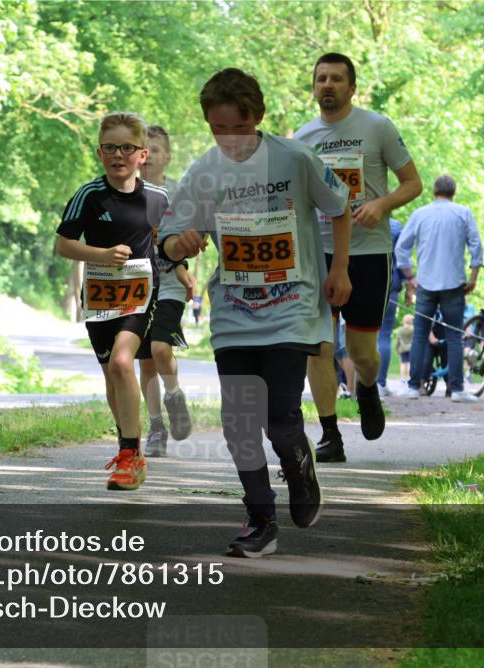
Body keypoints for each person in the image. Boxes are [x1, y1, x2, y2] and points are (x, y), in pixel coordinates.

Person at [159, 67, 352, 558]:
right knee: (240, 421)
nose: (229, 141)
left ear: (258, 117)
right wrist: (177, 242)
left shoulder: (295, 157)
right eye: (217, 130)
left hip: (293, 307)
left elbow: (340, 207)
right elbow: (170, 237)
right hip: (234, 313)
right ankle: (261, 518)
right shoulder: (205, 171)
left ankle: (300, 468)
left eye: (237, 129)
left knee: (280, 419)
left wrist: (341, 270)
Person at [294, 52, 422, 463]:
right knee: (319, 347)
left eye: (336, 79)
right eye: (321, 79)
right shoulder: (302, 138)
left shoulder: (377, 127)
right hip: (320, 252)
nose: (327, 85)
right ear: (313, 87)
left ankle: (367, 387)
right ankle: (330, 433)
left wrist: (381, 205)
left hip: (369, 252)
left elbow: (413, 183)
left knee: (362, 351)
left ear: (352, 87)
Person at [56, 111, 168, 490]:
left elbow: (171, 241)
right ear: (99, 153)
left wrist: (181, 263)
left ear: (142, 155)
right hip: (102, 296)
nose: (118, 154)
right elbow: (63, 245)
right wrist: (100, 255)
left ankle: (129, 454)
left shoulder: (158, 197)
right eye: (110, 148)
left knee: (123, 361)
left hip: (141, 294)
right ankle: (129, 449)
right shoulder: (89, 196)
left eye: (127, 147)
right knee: (112, 374)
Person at [395, 175, 483, 402]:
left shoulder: (420, 214)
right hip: (454, 283)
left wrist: (410, 278)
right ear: (454, 191)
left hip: (425, 283)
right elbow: (476, 246)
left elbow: (401, 249)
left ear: (434, 191)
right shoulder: (463, 213)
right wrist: (473, 276)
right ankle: (457, 389)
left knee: (420, 335)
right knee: (455, 336)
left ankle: (414, 387)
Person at [138, 124, 194, 457]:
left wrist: (184, 269)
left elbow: (184, 239)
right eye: (143, 149)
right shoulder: (126, 193)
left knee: (161, 348)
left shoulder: (178, 194)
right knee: (145, 362)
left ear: (167, 157)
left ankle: (174, 394)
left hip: (170, 283)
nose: (148, 156)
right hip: (136, 287)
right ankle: (156, 426)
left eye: (155, 149)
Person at [376, 218, 404, 396]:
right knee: (384, 335)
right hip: (389, 281)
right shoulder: (394, 226)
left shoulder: (357, 219)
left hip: (361, 282)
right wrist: (409, 281)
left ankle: (356, 383)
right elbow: (401, 257)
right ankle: (380, 383)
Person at [334, 312, 357, 402]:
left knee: (345, 350)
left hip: (347, 313)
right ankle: (352, 388)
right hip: (337, 314)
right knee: (338, 352)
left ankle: (351, 390)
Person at [395, 314, 414, 384]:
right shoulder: (413, 329)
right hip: (411, 348)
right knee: (409, 363)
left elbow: (398, 340)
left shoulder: (400, 330)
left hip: (402, 349)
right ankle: (409, 377)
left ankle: (402, 378)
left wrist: (397, 348)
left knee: (403, 363)